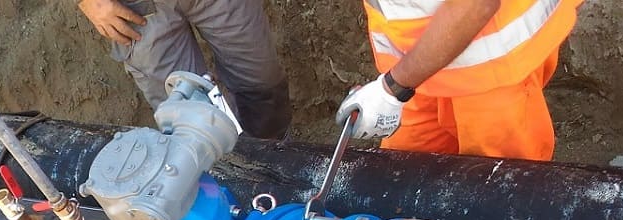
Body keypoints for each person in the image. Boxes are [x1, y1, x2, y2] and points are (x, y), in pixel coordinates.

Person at [336, 0, 582, 160]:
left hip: (490, 68)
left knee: (501, 188)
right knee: (405, 177)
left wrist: (392, 88)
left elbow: (476, 5)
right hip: (416, 66)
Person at [76, 0, 292, 139]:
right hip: (138, 10)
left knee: (262, 88)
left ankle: (275, 174)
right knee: (189, 123)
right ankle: (223, 189)